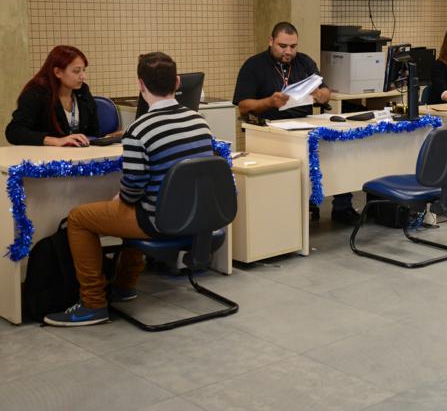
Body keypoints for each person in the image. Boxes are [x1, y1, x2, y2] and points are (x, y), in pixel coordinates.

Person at [43, 52, 215, 326]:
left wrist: (120, 198)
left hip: (157, 221)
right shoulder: (200, 121)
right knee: (132, 206)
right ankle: (124, 285)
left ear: (141, 85)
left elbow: (133, 189)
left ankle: (93, 303)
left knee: (77, 219)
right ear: (178, 82)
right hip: (199, 218)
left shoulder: (140, 129)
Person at [232, 21, 358, 223]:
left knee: (339, 151)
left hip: (304, 124)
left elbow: (325, 91)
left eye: (293, 46)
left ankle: (343, 207)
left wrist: (321, 95)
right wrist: (270, 102)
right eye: (283, 46)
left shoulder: (305, 62)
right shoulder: (254, 65)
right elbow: (244, 106)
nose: (288, 52)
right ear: (271, 41)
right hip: (271, 129)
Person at [5, 45, 99, 146]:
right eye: (76, 71)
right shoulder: (36, 93)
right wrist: (55, 141)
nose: (83, 76)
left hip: (78, 156)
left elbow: (94, 131)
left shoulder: (82, 91)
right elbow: (14, 132)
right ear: (57, 72)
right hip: (44, 158)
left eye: (84, 70)